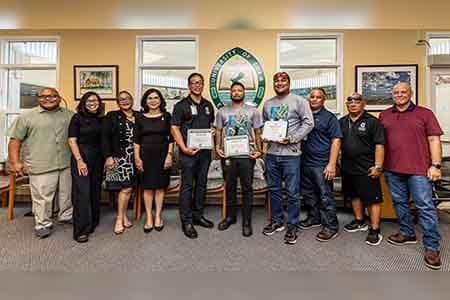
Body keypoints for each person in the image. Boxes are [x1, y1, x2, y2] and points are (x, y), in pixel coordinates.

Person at [379, 82, 443, 270]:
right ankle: (407, 232)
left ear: (411, 93)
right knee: (399, 203)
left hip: (419, 170)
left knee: (425, 207)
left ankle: (432, 247)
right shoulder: (384, 115)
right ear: (392, 95)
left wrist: (436, 165)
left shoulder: (425, 113)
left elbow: (434, 139)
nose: (399, 95)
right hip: (392, 169)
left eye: (403, 92)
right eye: (396, 92)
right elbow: (379, 143)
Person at [7, 87, 73, 239]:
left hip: (66, 162)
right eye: (43, 96)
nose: (48, 99)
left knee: (66, 194)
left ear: (59, 97)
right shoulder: (26, 117)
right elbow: (14, 141)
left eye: (52, 96)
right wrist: (15, 162)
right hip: (41, 163)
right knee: (42, 197)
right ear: (38, 98)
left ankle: (66, 216)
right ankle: (43, 223)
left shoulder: (69, 115)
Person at [262, 72, 314, 245]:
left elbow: (309, 123)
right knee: (274, 190)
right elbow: (265, 125)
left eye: (283, 80)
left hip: (291, 155)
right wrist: (265, 135)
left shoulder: (299, 101)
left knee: (292, 192)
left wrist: (292, 138)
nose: (279, 83)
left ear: (289, 83)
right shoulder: (268, 104)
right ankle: (277, 221)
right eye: (276, 81)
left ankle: (292, 225)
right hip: (271, 154)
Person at [214, 82, 263, 237]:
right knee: (230, 187)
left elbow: (257, 132)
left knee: (247, 188)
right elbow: (219, 131)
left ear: (244, 92)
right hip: (229, 155)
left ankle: (247, 221)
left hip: (247, 156)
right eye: (233, 90)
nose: (236, 93)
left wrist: (259, 150)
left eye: (239, 90)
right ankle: (230, 217)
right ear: (230, 93)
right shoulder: (222, 111)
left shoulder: (253, 111)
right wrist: (217, 147)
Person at [171, 73, 215, 239]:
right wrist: (184, 148)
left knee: (202, 184)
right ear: (189, 85)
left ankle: (198, 216)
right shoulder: (181, 105)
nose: (197, 85)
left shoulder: (208, 105)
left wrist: (212, 132)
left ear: (203, 85)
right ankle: (187, 221)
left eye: (200, 83)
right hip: (188, 153)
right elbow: (174, 128)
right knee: (187, 186)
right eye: (194, 83)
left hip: (204, 153)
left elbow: (211, 125)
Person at [339, 92, 385, 246]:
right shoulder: (342, 122)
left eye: (357, 101)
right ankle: (360, 221)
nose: (353, 103)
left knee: (373, 200)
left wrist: (378, 166)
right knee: (353, 196)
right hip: (348, 167)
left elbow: (380, 145)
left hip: (367, 167)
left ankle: (375, 229)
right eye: (350, 101)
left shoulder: (373, 122)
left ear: (363, 104)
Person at [299, 88, 342, 242]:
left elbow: (336, 140)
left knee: (325, 196)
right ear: (308, 99)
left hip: (322, 163)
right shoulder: (304, 116)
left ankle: (331, 226)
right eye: (312, 97)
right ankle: (314, 218)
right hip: (304, 161)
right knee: (309, 193)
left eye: (318, 97)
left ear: (324, 100)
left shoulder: (330, 118)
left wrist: (331, 164)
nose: (315, 99)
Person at [134, 88, 174, 233]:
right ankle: (149, 217)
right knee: (147, 187)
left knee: (160, 187)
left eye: (156, 97)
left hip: (162, 155)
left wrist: (170, 155)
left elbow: (171, 138)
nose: (153, 100)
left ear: (160, 100)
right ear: (145, 101)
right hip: (145, 156)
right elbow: (136, 140)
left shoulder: (167, 116)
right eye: (149, 98)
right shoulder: (140, 117)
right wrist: (137, 157)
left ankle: (158, 216)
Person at [68, 91, 104, 243]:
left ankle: (92, 222)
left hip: (98, 158)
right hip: (82, 157)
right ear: (83, 103)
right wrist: (79, 160)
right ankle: (81, 230)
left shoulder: (101, 119)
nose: (92, 103)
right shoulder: (77, 118)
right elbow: (71, 140)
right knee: (82, 193)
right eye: (89, 101)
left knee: (95, 190)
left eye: (95, 100)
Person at [102, 90, 139, 235]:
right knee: (125, 188)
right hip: (118, 158)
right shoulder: (111, 116)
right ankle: (119, 218)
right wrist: (108, 157)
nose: (125, 101)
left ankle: (123, 216)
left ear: (132, 100)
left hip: (134, 158)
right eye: (121, 99)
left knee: (127, 188)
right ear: (118, 102)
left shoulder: (139, 115)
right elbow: (104, 138)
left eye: (127, 98)